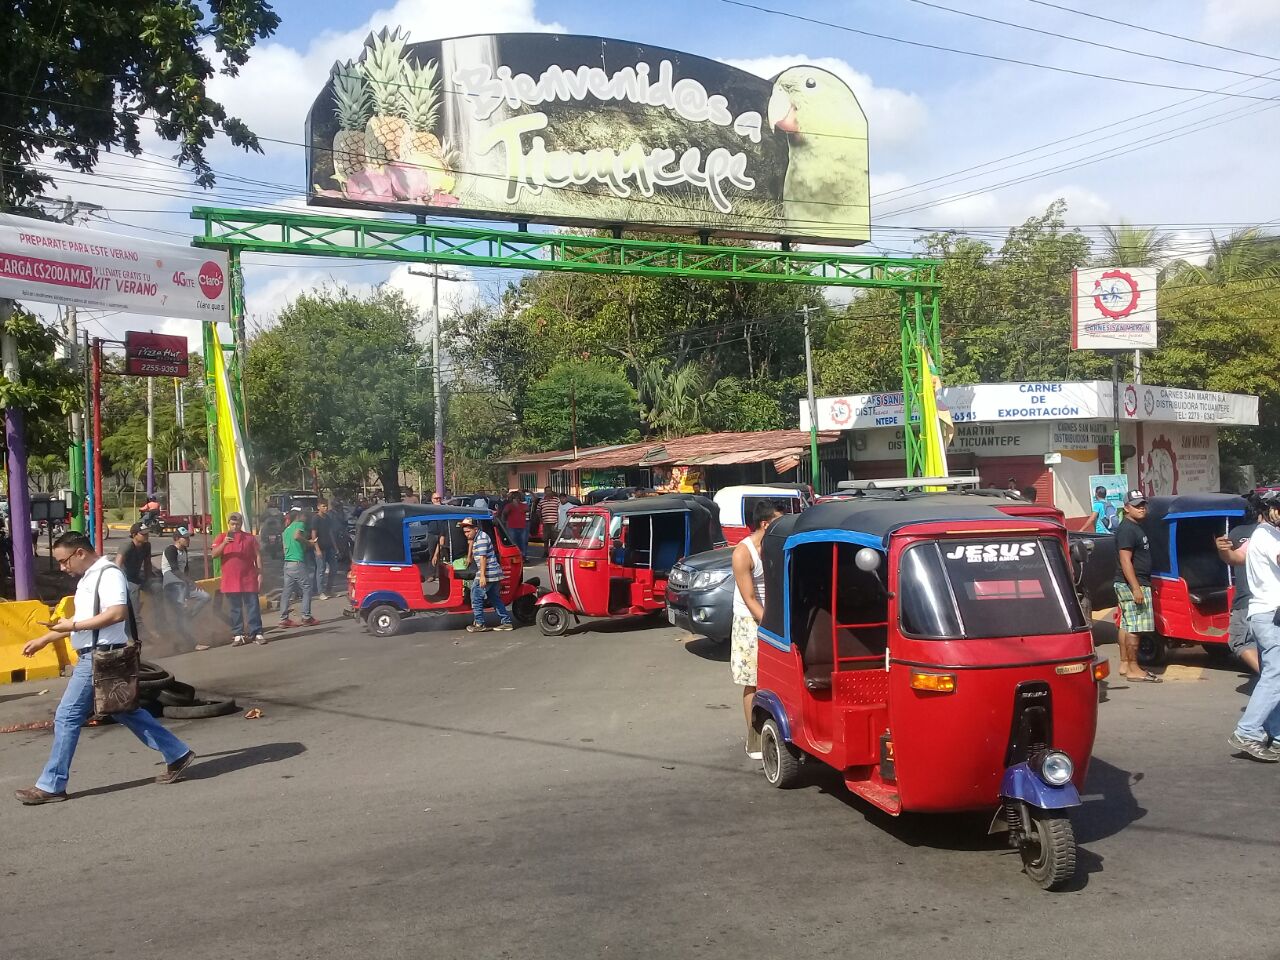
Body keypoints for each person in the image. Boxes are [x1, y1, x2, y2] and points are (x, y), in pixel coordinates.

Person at [14, 532, 195, 804]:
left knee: (67, 716)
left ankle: (52, 784)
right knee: (124, 710)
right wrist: (46, 639)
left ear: (80, 553)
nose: (63, 568)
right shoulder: (89, 578)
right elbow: (83, 618)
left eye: (64, 561)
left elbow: (117, 613)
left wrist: (71, 627)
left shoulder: (108, 574)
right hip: (95, 655)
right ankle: (177, 753)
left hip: (100, 657)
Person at [1228, 494, 1280, 761]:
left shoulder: (1268, 534)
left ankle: (1276, 733)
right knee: (1276, 676)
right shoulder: (1267, 536)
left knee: (1273, 676)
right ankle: (1247, 732)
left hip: (1266, 613)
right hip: (1271, 615)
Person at [731, 500, 784, 760]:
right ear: (765, 524)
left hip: (772, 617)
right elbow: (751, 598)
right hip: (749, 622)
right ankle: (753, 738)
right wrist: (772, 623)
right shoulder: (743, 553)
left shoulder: (775, 546)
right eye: (778, 520)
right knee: (752, 681)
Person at [1113, 490, 1161, 684]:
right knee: (1136, 627)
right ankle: (1134, 669)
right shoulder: (1127, 529)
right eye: (1136, 505)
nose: (1142, 508)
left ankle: (1125, 664)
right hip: (1133, 582)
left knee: (1126, 624)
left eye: (1143, 504)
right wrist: (1136, 587)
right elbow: (1125, 560)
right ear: (1126, 508)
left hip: (1132, 582)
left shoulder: (1134, 527)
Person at [1216, 496, 1263, 675]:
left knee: (1239, 641)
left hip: (1247, 601)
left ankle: (1271, 677)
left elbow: (1232, 559)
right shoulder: (1274, 533)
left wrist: (1222, 550)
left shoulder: (1237, 533)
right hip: (1268, 602)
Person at [212, 512, 264, 647]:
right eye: (232, 524)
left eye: (238, 524)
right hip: (230, 580)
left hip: (249, 579)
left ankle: (257, 633)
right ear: (228, 524)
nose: (235, 526)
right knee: (235, 608)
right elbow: (214, 554)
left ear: (241, 524)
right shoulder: (222, 537)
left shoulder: (249, 538)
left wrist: (260, 572)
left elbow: (257, 555)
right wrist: (224, 543)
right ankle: (238, 634)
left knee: (253, 607)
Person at [159, 526, 212, 646]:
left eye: (188, 537)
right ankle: (190, 642)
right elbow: (174, 569)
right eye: (185, 538)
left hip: (182, 583)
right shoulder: (170, 550)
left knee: (205, 597)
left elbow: (185, 570)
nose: (188, 540)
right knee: (181, 610)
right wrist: (188, 581)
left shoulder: (184, 551)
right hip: (172, 582)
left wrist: (189, 581)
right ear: (177, 538)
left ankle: (189, 616)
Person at [461, 517, 513, 633]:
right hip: (493, 573)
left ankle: (479, 623)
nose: (466, 534)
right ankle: (506, 622)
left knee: (476, 596)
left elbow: (483, 557)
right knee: (494, 598)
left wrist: (482, 576)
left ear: (475, 528)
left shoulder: (481, 538)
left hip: (488, 573)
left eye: (468, 531)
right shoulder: (477, 537)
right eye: (464, 532)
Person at [279, 507, 317, 628]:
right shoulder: (299, 524)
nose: (306, 519)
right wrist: (309, 543)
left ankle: (283, 619)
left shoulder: (286, 530)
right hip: (297, 562)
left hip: (287, 563)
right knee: (307, 587)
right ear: (299, 516)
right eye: (305, 516)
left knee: (287, 591)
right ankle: (306, 617)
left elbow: (284, 549)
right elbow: (297, 536)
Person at [115, 522, 155, 634]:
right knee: (134, 592)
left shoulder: (147, 546)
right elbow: (117, 565)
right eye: (143, 534)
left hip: (136, 576)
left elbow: (147, 564)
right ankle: (139, 633)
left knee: (157, 588)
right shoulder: (127, 545)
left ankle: (159, 621)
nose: (146, 536)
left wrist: (149, 581)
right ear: (134, 535)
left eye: (147, 533)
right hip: (125, 578)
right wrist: (118, 584)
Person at [310, 499, 339, 600]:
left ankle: (329, 590)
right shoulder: (315, 519)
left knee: (334, 568)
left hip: (329, 547)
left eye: (326, 506)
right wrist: (317, 549)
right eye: (323, 506)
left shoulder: (327, 517)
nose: (325, 508)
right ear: (318, 507)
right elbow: (313, 535)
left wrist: (335, 547)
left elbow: (330, 532)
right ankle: (320, 592)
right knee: (321, 570)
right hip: (320, 548)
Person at [500, 490, 529, 557]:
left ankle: (523, 555)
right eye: (515, 498)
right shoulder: (509, 506)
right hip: (512, 526)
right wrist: (503, 521)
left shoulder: (524, 505)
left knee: (523, 542)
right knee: (513, 542)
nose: (516, 499)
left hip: (522, 526)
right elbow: (504, 513)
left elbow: (527, 509)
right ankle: (515, 555)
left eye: (518, 498)